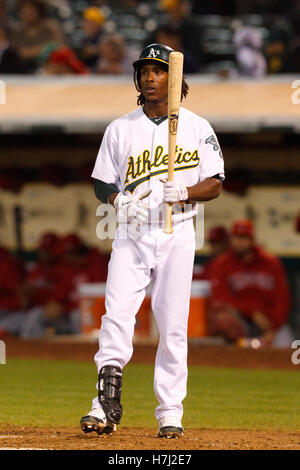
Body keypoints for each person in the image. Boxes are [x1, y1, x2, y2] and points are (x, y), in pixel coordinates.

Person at [80, 43, 224, 438]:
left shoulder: (197, 127)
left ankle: (170, 413)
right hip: (132, 231)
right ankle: (104, 404)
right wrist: (118, 200)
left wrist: (187, 193)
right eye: (144, 71)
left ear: (173, 78)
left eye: (159, 71)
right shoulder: (120, 128)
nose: (150, 77)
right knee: (116, 314)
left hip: (178, 230)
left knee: (173, 325)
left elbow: (214, 184)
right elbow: (101, 181)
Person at [208, 220, 293, 347]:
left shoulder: (271, 262)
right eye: (236, 237)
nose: (239, 242)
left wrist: (273, 327)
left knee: (289, 354)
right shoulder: (221, 264)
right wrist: (252, 312)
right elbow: (222, 298)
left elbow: (283, 299)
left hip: (271, 322)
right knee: (224, 318)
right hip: (241, 322)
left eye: (243, 237)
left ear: (252, 239)